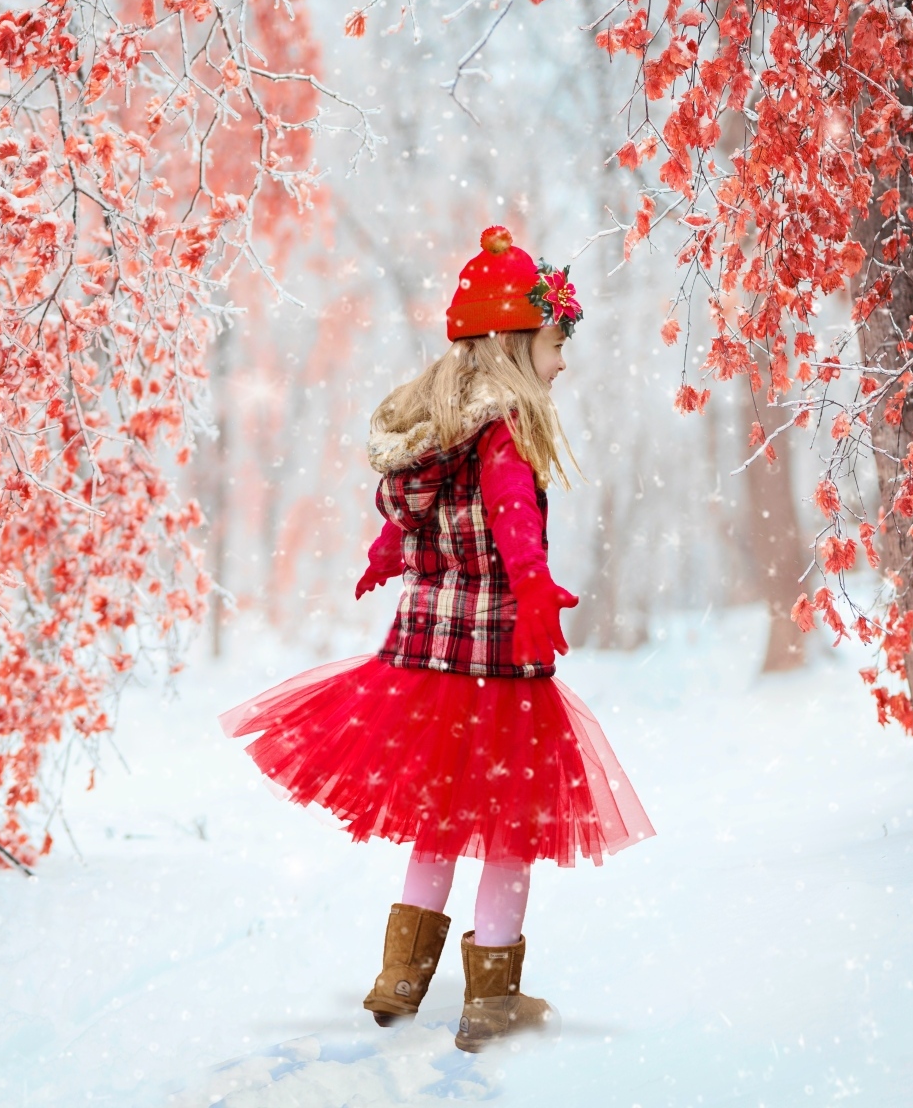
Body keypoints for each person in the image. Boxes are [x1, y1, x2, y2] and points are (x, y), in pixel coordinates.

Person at [221, 225, 653, 1052]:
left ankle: (400, 980)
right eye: (556, 345)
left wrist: (388, 553)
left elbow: (416, 510)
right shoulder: (504, 433)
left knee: (439, 821)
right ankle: (491, 1003)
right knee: (510, 831)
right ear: (514, 346)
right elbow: (512, 516)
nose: (562, 364)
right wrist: (534, 588)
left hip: (427, 657)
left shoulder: (437, 434)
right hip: (496, 657)